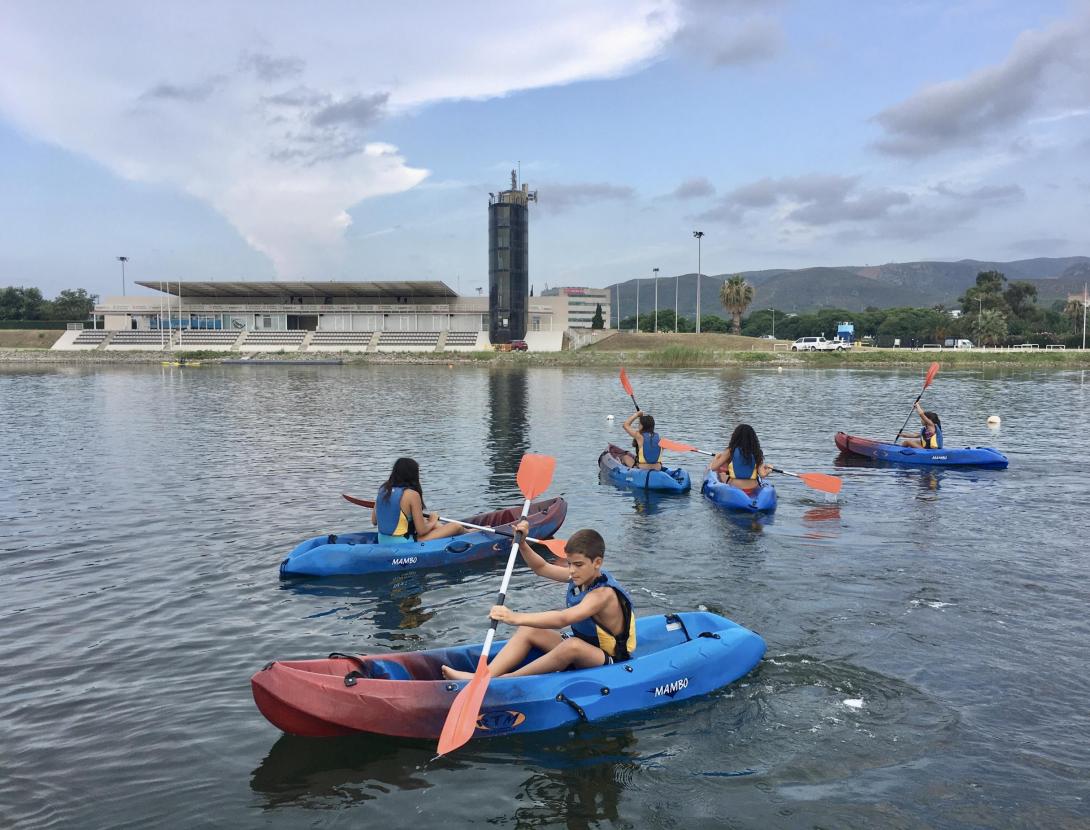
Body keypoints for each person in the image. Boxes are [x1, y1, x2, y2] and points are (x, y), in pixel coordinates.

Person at [441, 521, 636, 680]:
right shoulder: (579, 576)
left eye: (578, 565)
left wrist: (513, 617)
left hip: (610, 658)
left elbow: (563, 619)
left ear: (597, 563)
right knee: (529, 630)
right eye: (569, 564)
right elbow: (541, 568)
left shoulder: (602, 595)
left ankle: (503, 681)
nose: (571, 570)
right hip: (587, 644)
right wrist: (523, 544)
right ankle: (483, 675)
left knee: (572, 646)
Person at [370, 457, 465, 543]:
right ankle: (471, 534)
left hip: (382, 540)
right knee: (455, 526)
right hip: (404, 543)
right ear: (412, 475)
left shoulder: (383, 489)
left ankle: (469, 531)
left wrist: (431, 523)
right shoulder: (412, 495)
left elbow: (374, 521)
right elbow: (421, 531)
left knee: (430, 523)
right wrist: (433, 519)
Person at [707, 424, 773, 490]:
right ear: (753, 438)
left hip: (736, 486)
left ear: (735, 437)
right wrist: (770, 469)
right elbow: (762, 474)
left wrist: (716, 458)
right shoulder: (756, 452)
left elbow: (713, 468)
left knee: (721, 475)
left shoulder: (730, 450)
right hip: (753, 487)